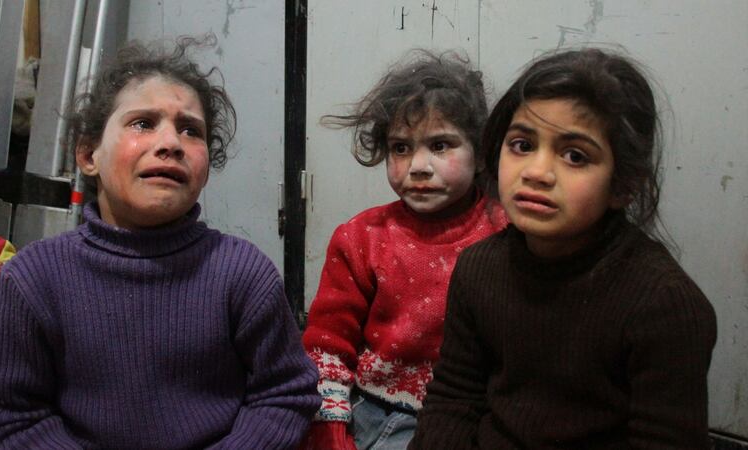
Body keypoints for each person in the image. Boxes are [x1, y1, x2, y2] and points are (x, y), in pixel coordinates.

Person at [0, 36, 320, 449]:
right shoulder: (33, 279)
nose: (170, 143)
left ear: (206, 166)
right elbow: (9, 420)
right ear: (88, 155)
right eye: (142, 123)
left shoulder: (242, 272)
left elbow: (285, 396)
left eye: (190, 130)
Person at [410, 48, 717, 449]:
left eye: (575, 155)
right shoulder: (478, 268)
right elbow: (454, 400)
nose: (536, 173)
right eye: (521, 145)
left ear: (624, 184)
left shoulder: (664, 304)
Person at [299, 50, 508, 450]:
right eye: (400, 148)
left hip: (470, 416)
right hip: (370, 410)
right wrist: (331, 427)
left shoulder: (505, 233)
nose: (418, 166)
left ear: (481, 152)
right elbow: (327, 345)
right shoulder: (362, 237)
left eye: (440, 144)